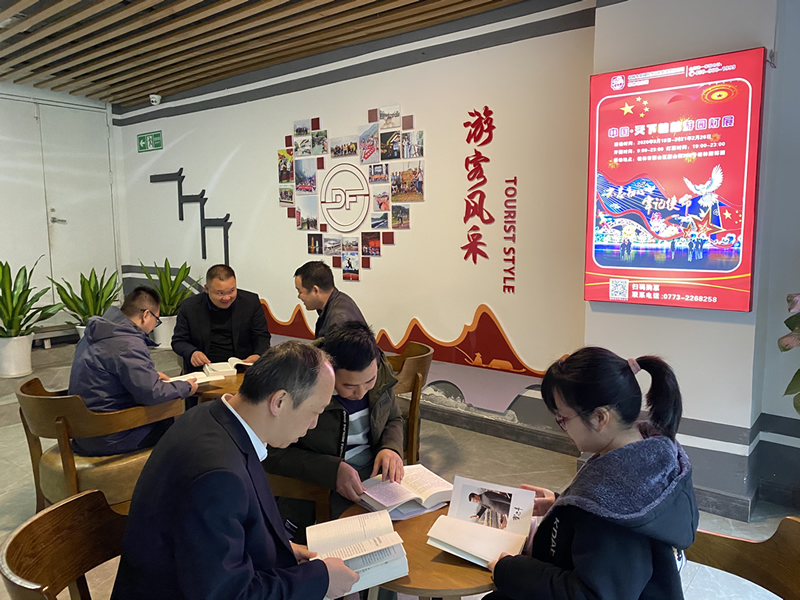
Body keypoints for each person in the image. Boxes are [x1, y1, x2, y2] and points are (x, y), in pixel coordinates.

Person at [111, 342, 359, 600]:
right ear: (279, 402)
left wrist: (279, 548)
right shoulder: (217, 475)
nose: (314, 424)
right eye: (315, 411)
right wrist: (320, 579)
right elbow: (228, 595)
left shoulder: (209, 416)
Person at [486, 347, 698, 600]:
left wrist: (511, 570)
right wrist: (565, 508)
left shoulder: (617, 505)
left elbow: (593, 595)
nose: (562, 427)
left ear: (600, 418)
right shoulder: (648, 460)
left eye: (563, 418)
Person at [264, 322, 404, 542]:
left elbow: (394, 418)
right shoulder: (301, 387)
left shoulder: (380, 375)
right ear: (329, 372)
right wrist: (331, 470)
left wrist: (390, 447)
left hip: (373, 481)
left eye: (369, 381)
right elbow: (271, 453)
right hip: (319, 487)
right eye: (349, 386)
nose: (361, 393)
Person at [68, 286, 198, 457]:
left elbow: (110, 375)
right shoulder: (128, 343)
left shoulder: (95, 334)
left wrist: (151, 376)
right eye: (156, 320)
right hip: (111, 434)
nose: (154, 326)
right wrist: (185, 387)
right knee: (178, 419)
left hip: (83, 432)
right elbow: (151, 394)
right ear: (146, 315)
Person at [172, 264, 271, 372]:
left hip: (241, 367)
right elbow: (179, 341)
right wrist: (193, 353)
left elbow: (262, 336)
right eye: (220, 293)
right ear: (207, 289)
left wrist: (257, 355)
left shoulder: (251, 302)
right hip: (204, 369)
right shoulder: (190, 307)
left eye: (232, 291)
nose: (227, 298)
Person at [294, 260, 366, 338]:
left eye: (300, 291)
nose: (299, 296)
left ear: (316, 290)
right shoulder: (340, 299)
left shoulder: (338, 321)